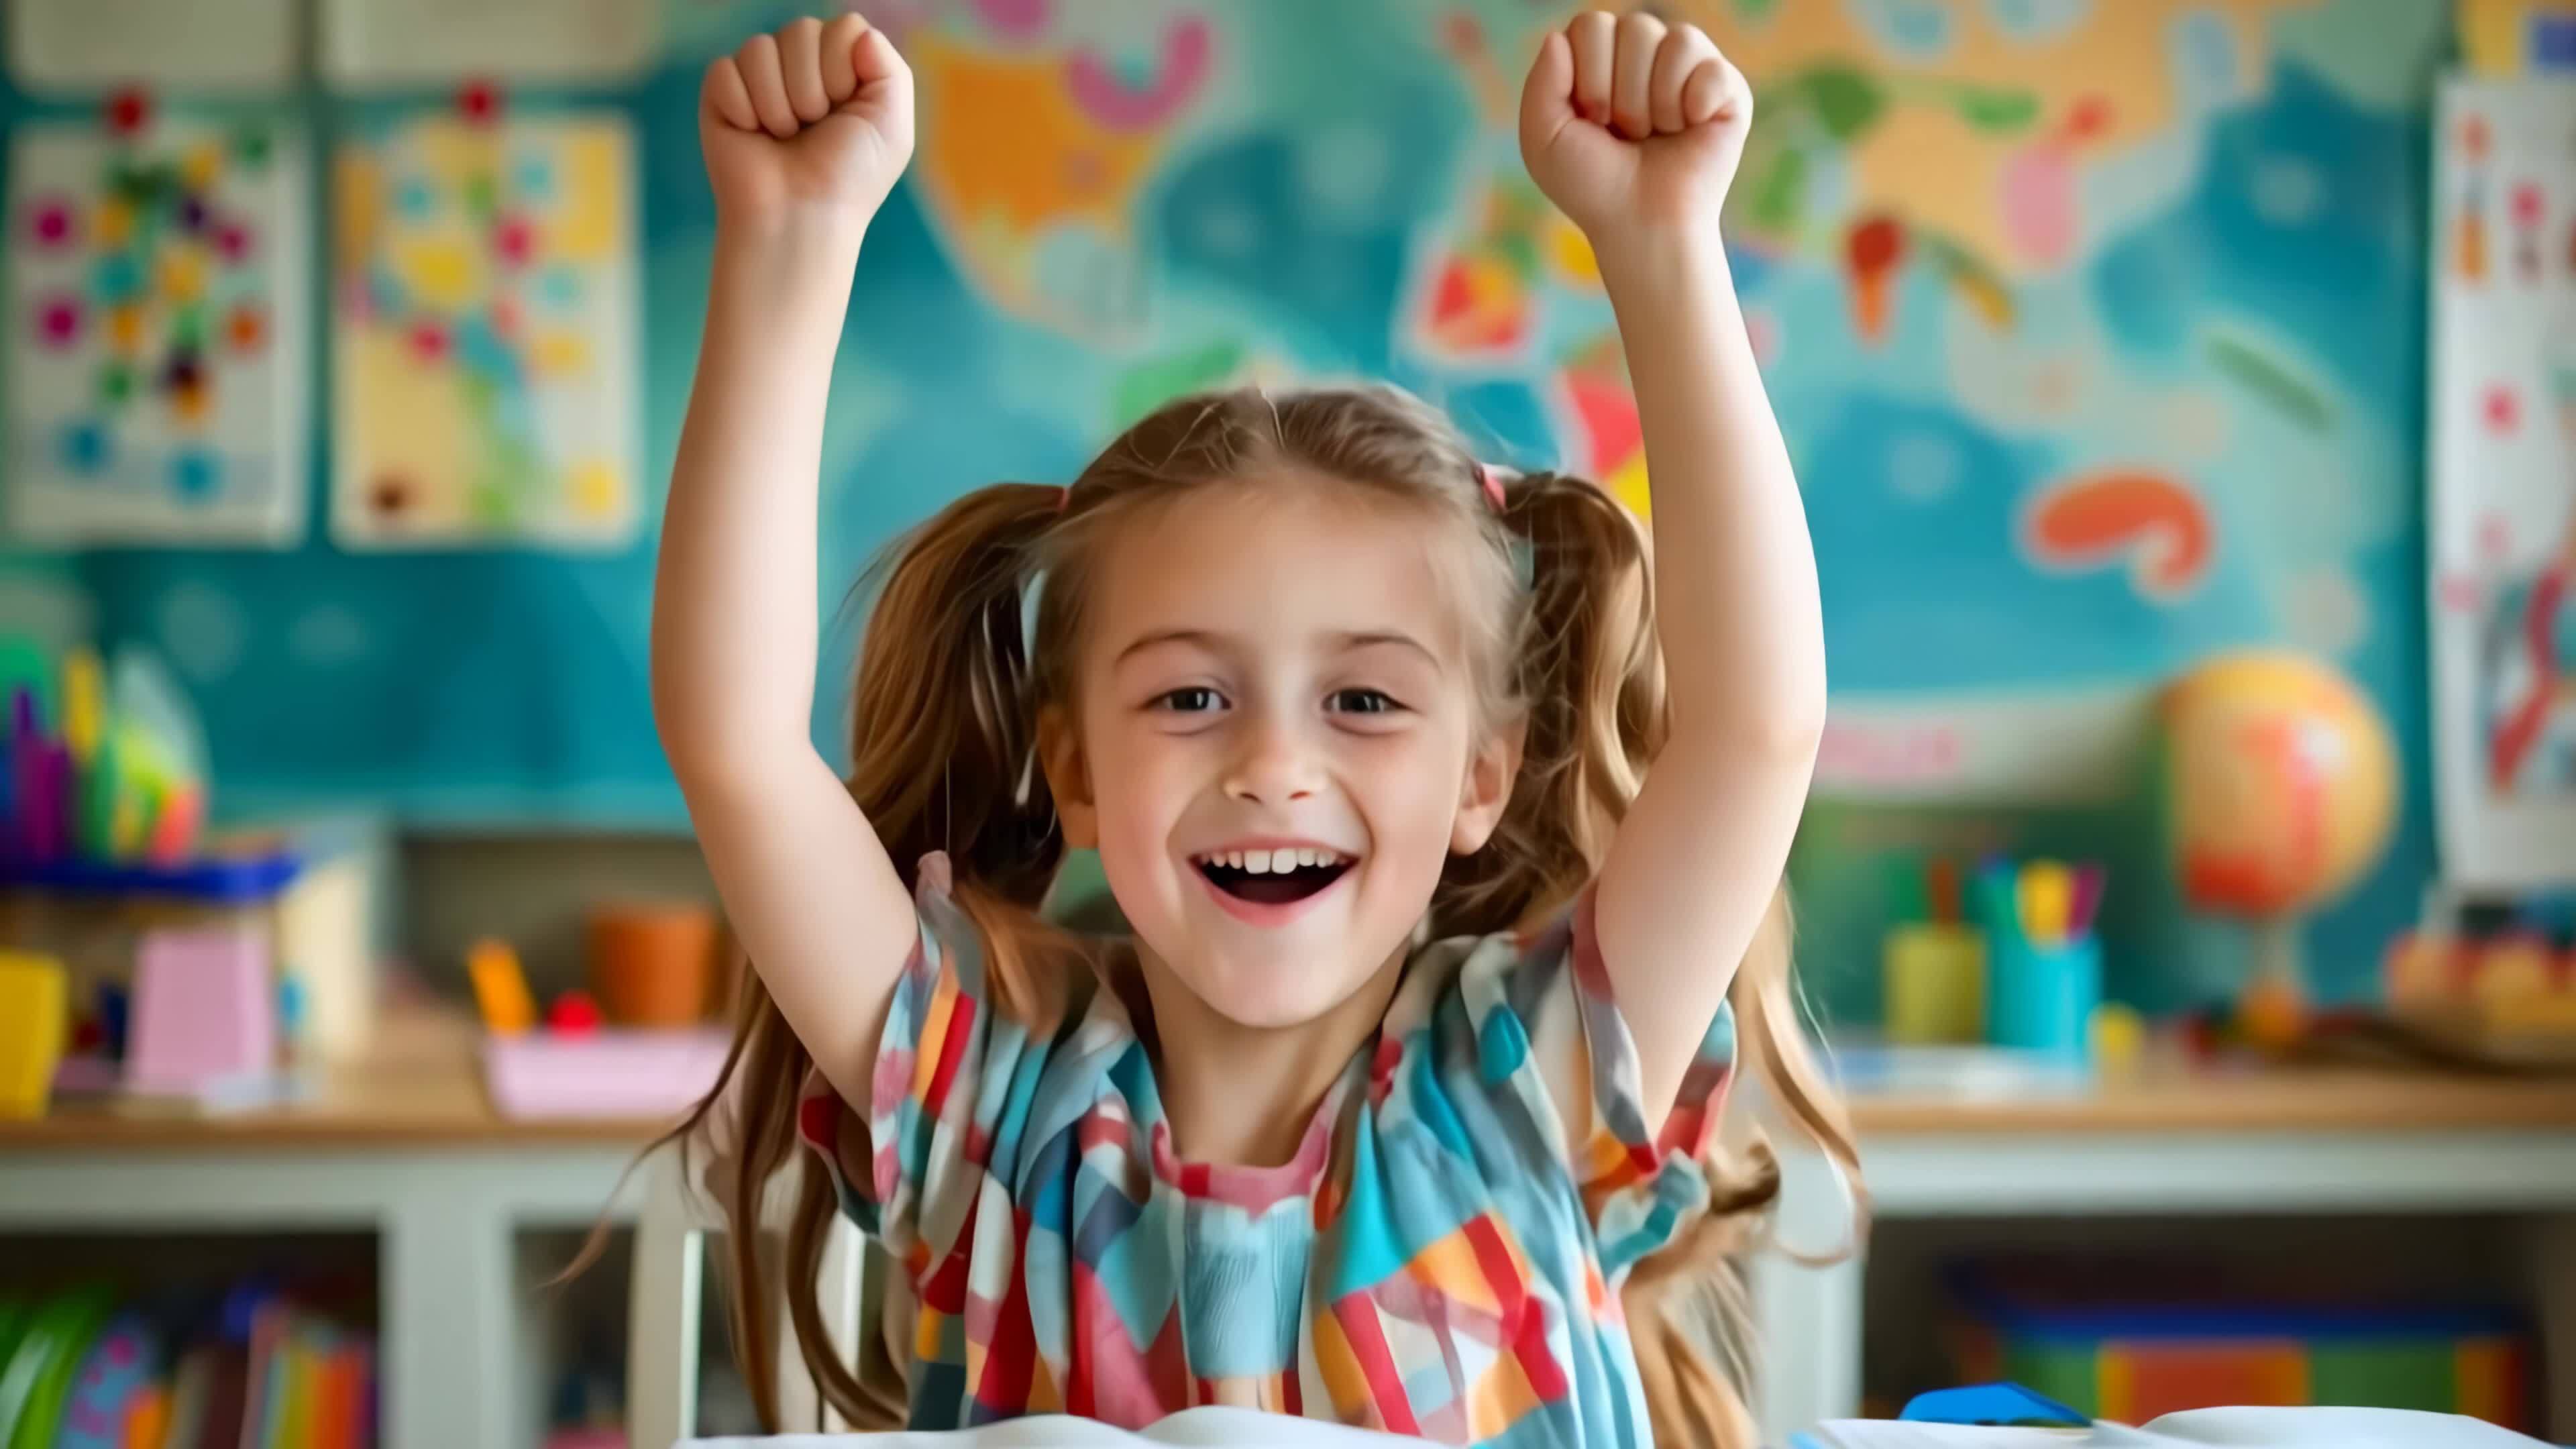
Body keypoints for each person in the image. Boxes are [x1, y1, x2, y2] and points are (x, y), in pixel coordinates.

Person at [649, 10, 1859, 1444]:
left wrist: (1663, 247)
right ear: (1075, 765)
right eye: (1189, 698)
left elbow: (1753, 731)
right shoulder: (988, 1108)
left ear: (1481, 775)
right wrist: (788, 243)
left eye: (1364, 701)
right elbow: (737, 745)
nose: (1275, 767)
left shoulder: (1530, 1087)